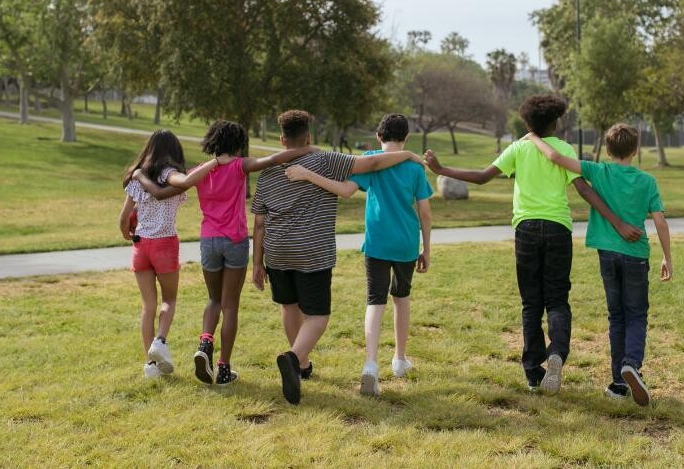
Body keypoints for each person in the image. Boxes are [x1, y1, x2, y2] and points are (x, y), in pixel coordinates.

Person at [424, 94, 642, 394]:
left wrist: (441, 169)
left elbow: (482, 177)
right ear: (555, 122)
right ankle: (556, 353)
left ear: (528, 122)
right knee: (557, 298)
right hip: (557, 229)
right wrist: (618, 222)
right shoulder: (563, 148)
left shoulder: (518, 148)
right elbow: (584, 190)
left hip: (525, 229)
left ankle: (533, 373)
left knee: (531, 302)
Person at [251, 109, 425, 404]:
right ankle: (294, 357)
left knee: (289, 306)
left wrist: (256, 263)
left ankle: (302, 366)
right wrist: (407, 155)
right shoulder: (326, 161)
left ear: (282, 139)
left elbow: (258, 222)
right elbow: (373, 162)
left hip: (277, 251)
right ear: (308, 137)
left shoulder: (267, 174)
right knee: (317, 316)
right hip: (312, 251)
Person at [135, 121, 317, 386]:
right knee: (230, 306)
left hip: (208, 241)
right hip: (234, 241)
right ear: (238, 143)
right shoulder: (240, 165)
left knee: (213, 300)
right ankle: (222, 368)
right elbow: (274, 159)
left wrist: (139, 175)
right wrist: (307, 149)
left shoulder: (200, 171)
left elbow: (168, 189)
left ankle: (205, 343)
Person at [525, 124, 672, 406]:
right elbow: (660, 221)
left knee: (616, 316)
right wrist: (667, 256)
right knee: (636, 315)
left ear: (607, 150)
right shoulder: (647, 181)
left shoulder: (598, 171)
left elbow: (555, 158)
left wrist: (533, 136)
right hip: (636, 256)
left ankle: (619, 384)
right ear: (635, 150)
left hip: (607, 254)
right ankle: (631, 364)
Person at [119, 129, 196, 379]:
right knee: (169, 300)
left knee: (147, 306)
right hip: (164, 244)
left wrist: (127, 233)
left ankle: (150, 366)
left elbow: (123, 218)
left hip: (141, 246)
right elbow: (179, 185)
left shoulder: (136, 178)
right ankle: (159, 342)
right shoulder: (170, 175)